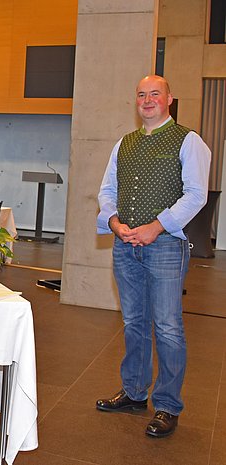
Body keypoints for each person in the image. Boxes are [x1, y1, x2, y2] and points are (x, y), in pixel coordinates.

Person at [96, 75, 211, 438]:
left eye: (155, 94)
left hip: (164, 245)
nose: (147, 100)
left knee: (167, 327)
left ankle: (167, 405)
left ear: (169, 99)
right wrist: (113, 221)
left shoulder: (188, 140)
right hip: (125, 244)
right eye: (142, 94)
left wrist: (156, 227)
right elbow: (107, 190)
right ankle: (134, 392)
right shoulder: (124, 143)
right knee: (133, 323)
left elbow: (196, 195)